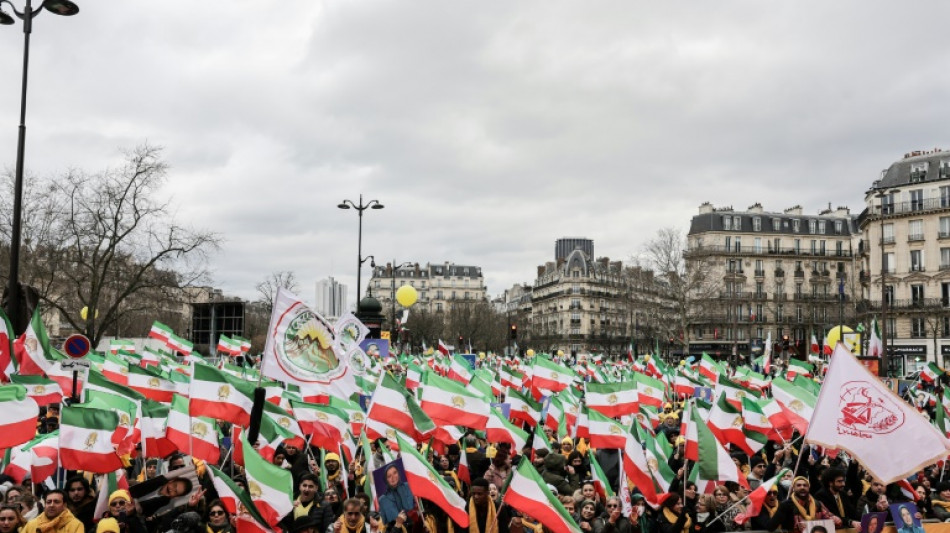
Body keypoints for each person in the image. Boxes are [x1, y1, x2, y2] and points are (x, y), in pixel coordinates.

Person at [766, 477, 838, 533]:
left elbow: (830, 518)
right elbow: (771, 526)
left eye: (805, 485)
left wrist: (835, 520)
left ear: (809, 488)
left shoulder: (818, 504)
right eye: (799, 485)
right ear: (793, 488)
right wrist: (795, 527)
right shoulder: (786, 505)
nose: (802, 487)